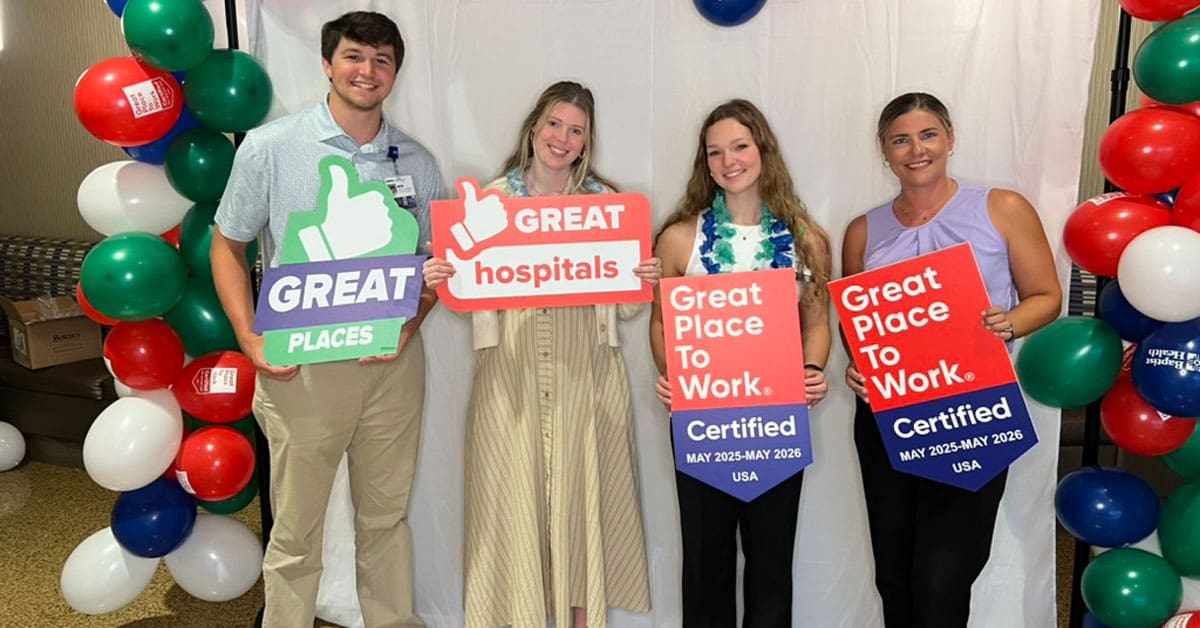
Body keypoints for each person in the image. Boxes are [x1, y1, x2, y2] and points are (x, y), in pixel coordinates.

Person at [210, 11, 443, 627]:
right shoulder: (270, 147)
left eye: (382, 60)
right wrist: (248, 337)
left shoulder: (416, 162)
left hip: (392, 368)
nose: (368, 71)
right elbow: (227, 245)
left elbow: (434, 267)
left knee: (385, 519)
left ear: (395, 72)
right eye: (355, 57)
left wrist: (410, 325)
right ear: (327, 64)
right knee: (296, 531)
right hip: (302, 369)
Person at [422, 80, 657, 628]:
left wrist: (640, 279)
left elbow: (624, 310)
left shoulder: (606, 206)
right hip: (511, 372)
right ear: (534, 126)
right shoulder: (489, 203)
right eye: (555, 123)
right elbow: (467, 302)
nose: (562, 137)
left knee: (582, 504)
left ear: (587, 142)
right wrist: (444, 276)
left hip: (587, 372)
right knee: (510, 507)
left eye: (576, 130)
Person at [841, 92, 1062, 628]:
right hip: (888, 417)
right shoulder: (863, 230)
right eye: (901, 140)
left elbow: (1046, 297)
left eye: (928, 135)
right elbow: (856, 324)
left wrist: (1006, 323)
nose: (916, 150)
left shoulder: (1001, 208)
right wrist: (859, 366)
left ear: (950, 139)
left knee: (942, 576)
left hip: (973, 413)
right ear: (884, 151)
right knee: (893, 576)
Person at [649, 98, 832, 627]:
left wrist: (813, 372)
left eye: (740, 146)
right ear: (704, 164)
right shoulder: (681, 237)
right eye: (715, 152)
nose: (729, 161)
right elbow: (663, 324)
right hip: (703, 422)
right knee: (705, 563)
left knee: (771, 563)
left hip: (776, 421)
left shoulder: (806, 239)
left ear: (763, 151)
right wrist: (675, 376)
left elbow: (817, 325)